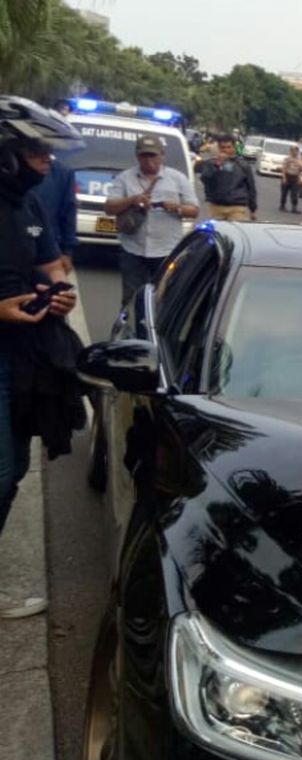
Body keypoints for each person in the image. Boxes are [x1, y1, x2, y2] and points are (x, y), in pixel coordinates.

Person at [0, 97, 84, 617]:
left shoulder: (29, 206)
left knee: (11, 474)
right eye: (35, 152)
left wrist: (62, 291)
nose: (46, 163)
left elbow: (53, 264)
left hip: (26, 361)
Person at [104, 134, 199, 305]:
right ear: (137, 156)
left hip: (166, 250)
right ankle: (129, 330)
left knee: (164, 298)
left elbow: (194, 210)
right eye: (144, 155)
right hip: (133, 250)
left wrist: (176, 207)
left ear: (162, 155)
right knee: (131, 299)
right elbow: (109, 208)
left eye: (153, 155)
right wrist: (132, 200)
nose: (148, 160)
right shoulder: (125, 178)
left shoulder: (178, 179)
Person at [27, 140, 77, 275]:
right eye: (37, 154)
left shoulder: (62, 173)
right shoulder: (8, 173)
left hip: (48, 249)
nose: (45, 160)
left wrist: (67, 252)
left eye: (47, 154)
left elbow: (68, 213)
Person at [199, 133, 257, 221]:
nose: (226, 150)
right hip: (217, 206)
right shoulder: (211, 164)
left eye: (229, 147)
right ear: (219, 148)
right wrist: (217, 165)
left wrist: (253, 208)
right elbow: (205, 179)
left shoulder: (243, 165)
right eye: (223, 147)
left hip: (237, 206)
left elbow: (251, 187)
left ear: (234, 148)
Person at [280, 145, 302, 213]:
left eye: (296, 151)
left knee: (294, 194)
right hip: (287, 176)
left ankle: (294, 207)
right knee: (284, 193)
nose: (295, 152)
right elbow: (284, 169)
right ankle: (282, 206)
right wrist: (284, 177)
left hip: (295, 177)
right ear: (290, 151)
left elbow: (301, 170)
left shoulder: (299, 160)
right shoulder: (287, 159)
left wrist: (299, 178)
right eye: (293, 151)